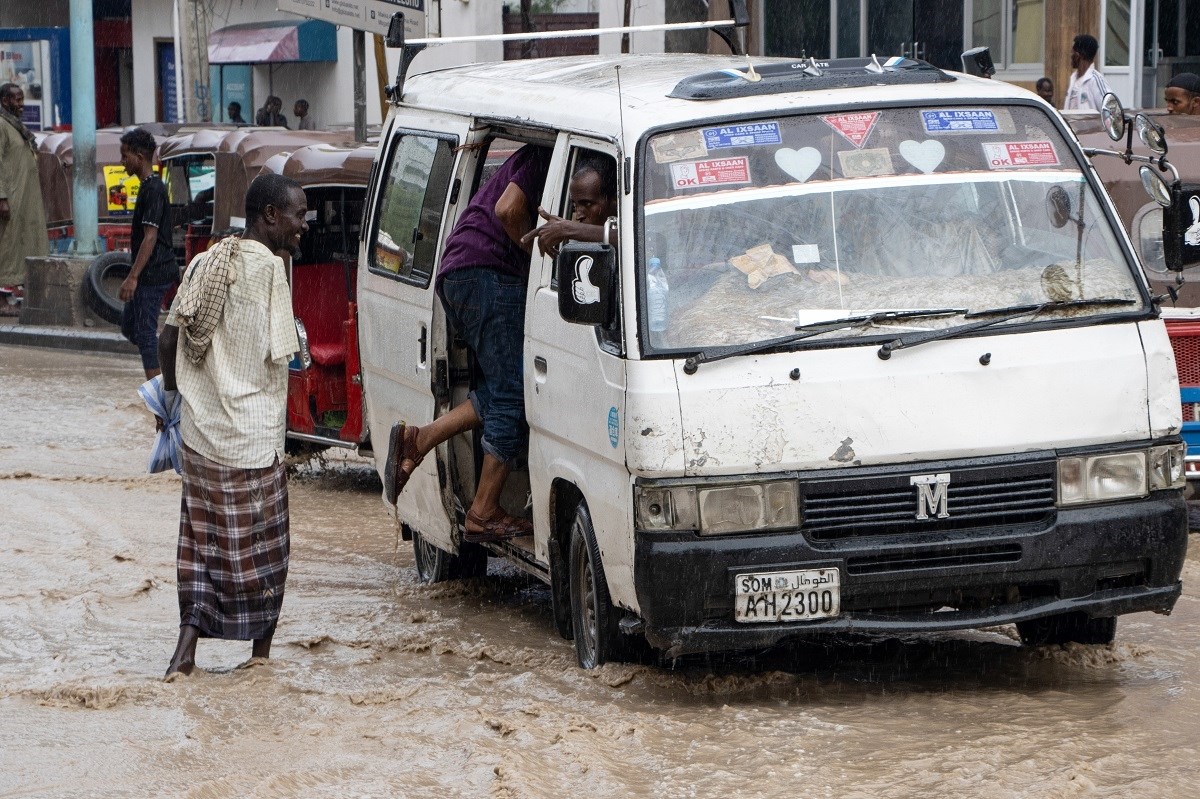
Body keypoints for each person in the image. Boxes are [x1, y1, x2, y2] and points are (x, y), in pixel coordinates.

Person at [157, 173, 307, 678]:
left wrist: (176, 401)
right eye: (298, 216)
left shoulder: (205, 260)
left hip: (200, 439)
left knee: (202, 550)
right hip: (251, 443)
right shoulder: (269, 271)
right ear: (270, 216)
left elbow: (166, 339)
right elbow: (288, 355)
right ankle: (260, 662)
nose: (303, 227)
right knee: (267, 552)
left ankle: (185, 655)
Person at [389, 144, 552, 542]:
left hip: (461, 268)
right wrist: (542, 264)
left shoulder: (532, 156)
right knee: (515, 394)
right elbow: (509, 210)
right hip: (488, 270)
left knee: (499, 391)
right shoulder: (544, 156)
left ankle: (420, 439)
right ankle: (482, 512)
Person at [118, 128, 177, 380]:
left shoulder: (153, 189)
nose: (122, 162)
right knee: (130, 327)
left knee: (144, 333)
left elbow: (150, 237)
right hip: (149, 271)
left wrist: (133, 276)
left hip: (155, 272)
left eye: (125, 156)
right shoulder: (147, 187)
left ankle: (160, 401)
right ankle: (166, 357)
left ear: (139, 157)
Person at [0, 82, 48, 301]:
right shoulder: (2, 125)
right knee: (7, 243)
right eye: (17, 99)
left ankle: (15, 291)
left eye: (22, 99)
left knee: (25, 241)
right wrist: (2, 198)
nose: (21, 104)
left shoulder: (16, 126)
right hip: (10, 198)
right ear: (5, 101)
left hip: (24, 198)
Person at [522, 154, 619, 258]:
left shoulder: (634, 223)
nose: (578, 216)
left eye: (588, 204)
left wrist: (568, 229)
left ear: (615, 199)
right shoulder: (576, 244)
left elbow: (633, 241)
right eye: (574, 206)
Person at [1063, 34, 1111, 112]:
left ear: (1078, 55)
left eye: (1072, 52)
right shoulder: (1073, 78)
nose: (1070, 55)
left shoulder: (1095, 80)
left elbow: (1111, 112)